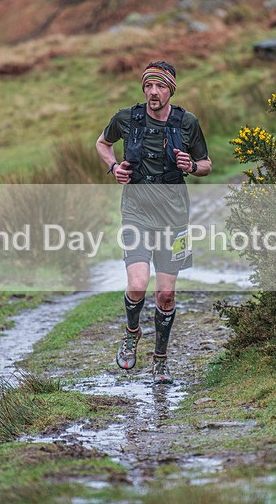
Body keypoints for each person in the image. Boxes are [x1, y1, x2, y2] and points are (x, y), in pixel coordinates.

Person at [95, 60, 212, 384]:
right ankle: (132, 332)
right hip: (136, 211)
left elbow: (206, 164)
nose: (153, 92)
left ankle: (160, 359)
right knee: (136, 286)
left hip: (175, 216)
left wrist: (192, 166)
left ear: (170, 89)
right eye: (148, 86)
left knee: (165, 296)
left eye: (160, 86)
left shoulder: (186, 122)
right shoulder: (126, 118)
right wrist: (113, 167)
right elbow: (102, 143)